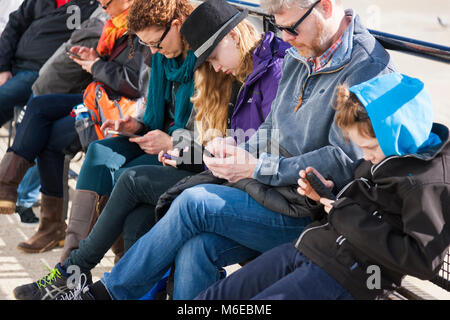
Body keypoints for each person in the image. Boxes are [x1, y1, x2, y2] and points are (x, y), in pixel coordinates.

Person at [52, 0, 398, 300]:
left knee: (191, 202)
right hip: (270, 193)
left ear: (324, 6)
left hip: (314, 213)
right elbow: (270, 128)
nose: (287, 39)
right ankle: (89, 278)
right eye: (281, 30)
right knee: (196, 247)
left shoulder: (365, 68)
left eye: (291, 29)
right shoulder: (300, 52)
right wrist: (238, 150)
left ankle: (104, 293)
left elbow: (344, 161)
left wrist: (253, 167)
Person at [13, 0, 290, 300]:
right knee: (110, 170)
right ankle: (79, 272)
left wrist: (179, 145)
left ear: (232, 37)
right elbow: (217, 143)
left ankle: (77, 277)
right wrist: (154, 134)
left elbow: (262, 149)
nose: (215, 66)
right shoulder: (221, 72)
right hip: (207, 166)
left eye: (156, 44)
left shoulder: (261, 72)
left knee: (133, 181)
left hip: (235, 180)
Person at [195, 73, 450, 300]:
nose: (366, 155)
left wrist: (344, 212)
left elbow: (422, 260)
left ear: (398, 136)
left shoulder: (426, 183)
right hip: (310, 246)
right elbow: (357, 211)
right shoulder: (386, 158)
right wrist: (323, 198)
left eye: (370, 148)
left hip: (347, 276)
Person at [0, 0, 148, 253]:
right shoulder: (114, 24)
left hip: (121, 111)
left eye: (106, 2)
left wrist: (96, 66)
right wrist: (94, 59)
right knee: (40, 107)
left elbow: (135, 85)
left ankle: (56, 230)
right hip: (98, 98)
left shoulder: (143, 30)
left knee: (50, 140)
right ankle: (11, 188)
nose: (102, 6)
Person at [0, 0, 98, 127]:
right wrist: (3, 67)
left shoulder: (91, 7)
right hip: (12, 64)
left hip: (39, 72)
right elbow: (14, 25)